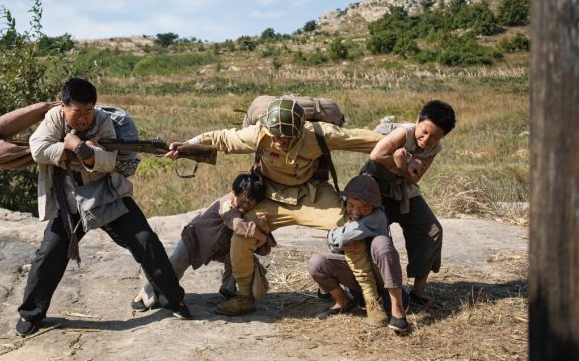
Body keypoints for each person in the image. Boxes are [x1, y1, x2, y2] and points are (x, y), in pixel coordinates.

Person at [165, 98, 385, 316]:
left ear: (298, 131)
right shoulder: (260, 132)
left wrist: (409, 139)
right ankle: (244, 297)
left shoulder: (318, 134)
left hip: (311, 195)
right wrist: (186, 145)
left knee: (348, 230)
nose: (278, 139)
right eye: (274, 133)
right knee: (241, 237)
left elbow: (362, 138)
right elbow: (223, 139)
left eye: (285, 135)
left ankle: (371, 300)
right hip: (270, 196)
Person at [15, 77, 190, 336]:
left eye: (88, 111)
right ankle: (31, 313)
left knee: (146, 240)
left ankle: (172, 299)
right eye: (77, 112)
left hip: (106, 195)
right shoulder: (53, 118)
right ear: (63, 106)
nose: (84, 118)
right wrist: (71, 146)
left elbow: (108, 161)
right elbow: (38, 148)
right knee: (50, 252)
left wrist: (81, 150)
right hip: (70, 200)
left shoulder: (103, 120)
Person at [360, 100, 456, 307]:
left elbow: (415, 179)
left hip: (404, 191)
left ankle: (418, 291)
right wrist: (402, 164)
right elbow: (376, 155)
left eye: (435, 136)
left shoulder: (435, 147)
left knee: (432, 231)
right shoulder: (405, 132)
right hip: (375, 189)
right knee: (379, 238)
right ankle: (381, 290)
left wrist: (403, 166)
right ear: (418, 122)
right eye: (424, 132)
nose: (427, 139)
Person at [132, 172, 274, 310]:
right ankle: (144, 296)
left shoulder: (248, 212)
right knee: (173, 268)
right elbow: (237, 226)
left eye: (249, 204)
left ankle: (228, 289)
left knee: (237, 257)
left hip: (215, 247)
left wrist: (264, 236)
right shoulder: (226, 205)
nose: (243, 206)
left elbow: (263, 246)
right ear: (234, 192)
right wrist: (261, 236)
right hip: (194, 239)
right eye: (242, 200)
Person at [310, 174, 408, 332]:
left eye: (364, 207)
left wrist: (334, 238)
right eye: (351, 205)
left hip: (381, 281)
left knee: (381, 244)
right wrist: (338, 246)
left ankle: (398, 311)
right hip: (357, 280)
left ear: (374, 206)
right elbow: (334, 244)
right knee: (317, 263)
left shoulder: (377, 217)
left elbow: (340, 236)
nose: (356, 211)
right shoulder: (345, 215)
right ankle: (344, 302)